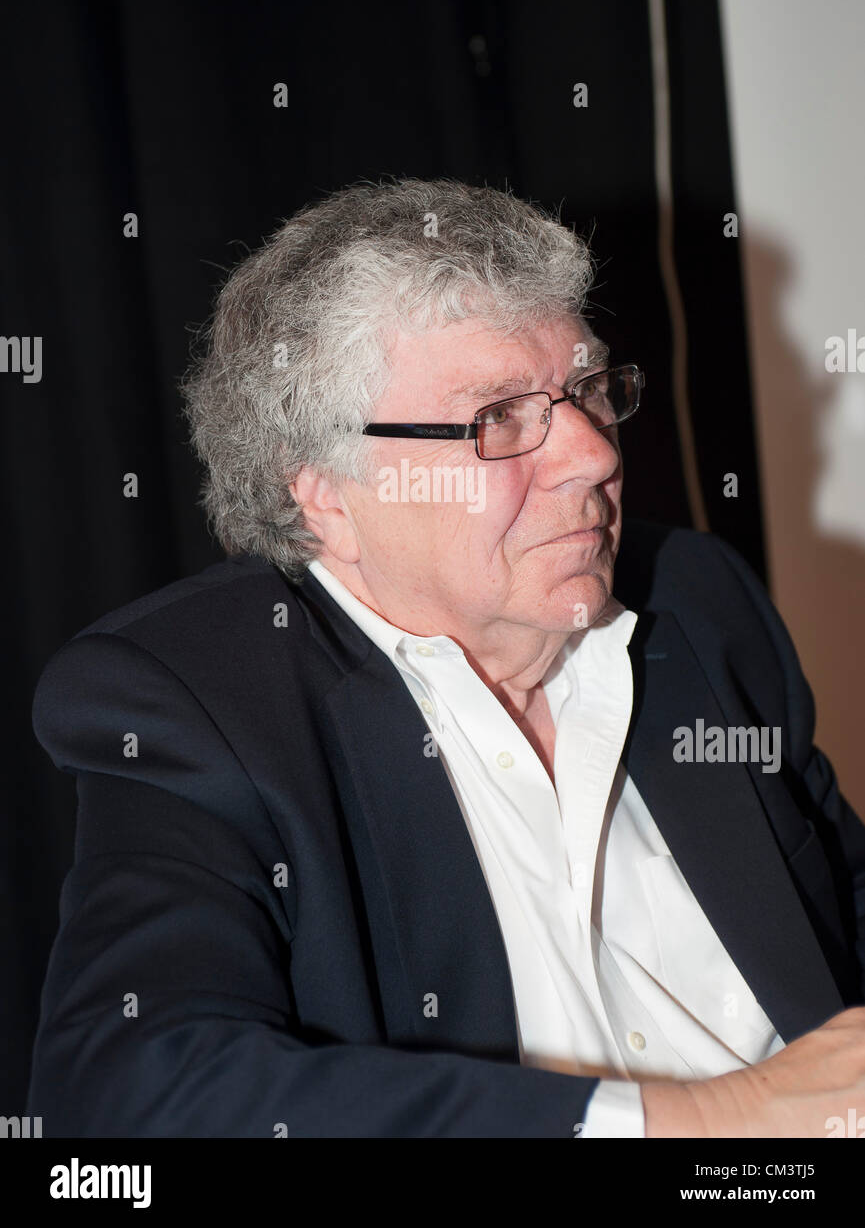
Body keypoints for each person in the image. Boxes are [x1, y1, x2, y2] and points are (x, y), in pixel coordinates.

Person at [27, 179, 865, 1137]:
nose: (592, 455)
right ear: (325, 495)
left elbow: (841, 899)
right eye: (498, 418)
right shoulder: (196, 701)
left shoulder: (697, 603)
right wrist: (707, 1124)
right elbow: (125, 1097)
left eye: (587, 391)